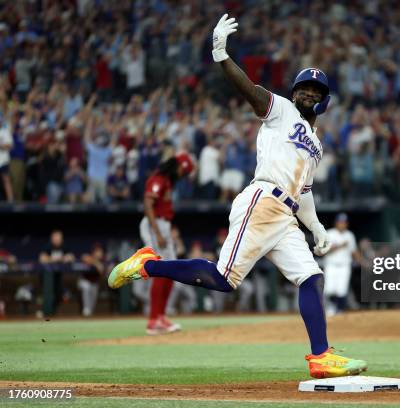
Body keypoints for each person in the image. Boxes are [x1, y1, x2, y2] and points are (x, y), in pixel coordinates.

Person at [109, 13, 366, 379]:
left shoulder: (317, 145)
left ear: (325, 101)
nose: (308, 94)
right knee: (223, 280)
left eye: (316, 92)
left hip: (287, 214)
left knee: (311, 277)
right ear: (294, 92)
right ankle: (147, 264)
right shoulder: (283, 110)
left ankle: (321, 357)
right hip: (262, 203)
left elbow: (305, 191)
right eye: (303, 88)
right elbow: (249, 89)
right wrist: (221, 55)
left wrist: (317, 227)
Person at [140, 152, 195, 335]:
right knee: (161, 272)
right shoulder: (159, 178)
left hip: (163, 226)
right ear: (178, 167)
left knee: (171, 272)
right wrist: (157, 232)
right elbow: (148, 204)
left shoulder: (168, 181)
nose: (182, 174)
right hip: (154, 225)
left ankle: (160, 317)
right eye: (183, 171)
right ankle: (153, 320)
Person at [322, 213, 359, 315]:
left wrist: (362, 262)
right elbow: (324, 250)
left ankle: (339, 310)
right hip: (331, 265)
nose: (342, 224)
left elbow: (354, 252)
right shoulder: (329, 233)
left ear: (346, 224)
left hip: (345, 265)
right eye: (340, 222)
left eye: (344, 222)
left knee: (341, 289)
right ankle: (332, 306)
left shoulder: (350, 235)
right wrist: (340, 245)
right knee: (329, 289)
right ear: (336, 223)